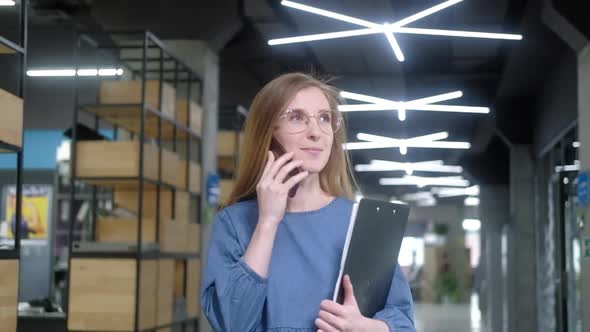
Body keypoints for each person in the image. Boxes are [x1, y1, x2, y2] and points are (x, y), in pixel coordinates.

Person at [201, 73, 416, 332]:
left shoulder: (363, 222)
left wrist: (365, 328)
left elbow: (403, 322)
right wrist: (268, 222)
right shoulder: (234, 223)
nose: (316, 132)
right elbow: (232, 324)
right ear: (268, 132)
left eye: (325, 118)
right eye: (296, 117)